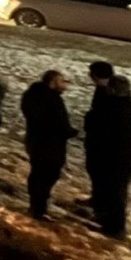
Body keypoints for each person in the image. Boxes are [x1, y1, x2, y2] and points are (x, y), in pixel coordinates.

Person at [86, 75, 131, 238]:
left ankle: (114, 228)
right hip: (130, 160)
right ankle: (111, 223)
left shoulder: (104, 111)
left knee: (111, 193)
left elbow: (91, 128)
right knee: (118, 191)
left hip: (107, 158)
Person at [20, 70, 77, 219]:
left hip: (35, 140)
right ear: (52, 82)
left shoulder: (31, 95)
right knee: (48, 175)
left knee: (38, 173)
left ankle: (36, 206)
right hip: (51, 144)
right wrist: (71, 132)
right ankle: (39, 208)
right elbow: (58, 124)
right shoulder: (53, 100)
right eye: (62, 81)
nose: (65, 85)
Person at [82, 61, 117, 202]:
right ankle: (98, 198)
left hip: (102, 141)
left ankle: (100, 200)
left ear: (94, 75)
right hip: (105, 141)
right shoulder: (113, 89)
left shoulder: (104, 92)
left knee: (100, 172)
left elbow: (99, 116)